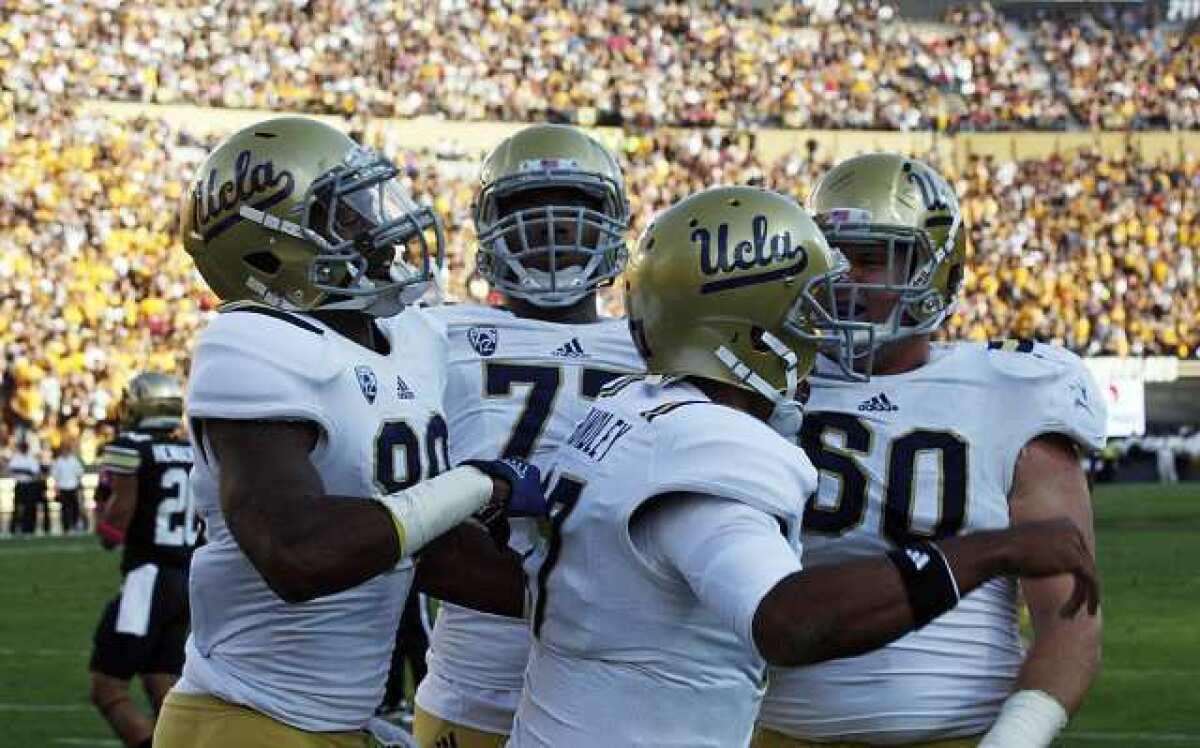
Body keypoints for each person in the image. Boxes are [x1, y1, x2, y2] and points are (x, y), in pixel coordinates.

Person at [507, 185, 1100, 747]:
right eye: (804, 297)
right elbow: (792, 620)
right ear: (747, 320)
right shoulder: (712, 441)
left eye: (867, 261)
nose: (829, 305)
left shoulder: (623, 407)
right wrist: (994, 549)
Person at [152, 116, 543, 748]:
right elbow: (298, 555)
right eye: (346, 213)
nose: (378, 224)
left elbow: (424, 547)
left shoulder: (413, 337)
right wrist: (475, 485)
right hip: (243, 720)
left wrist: (592, 604)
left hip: (333, 722)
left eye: (370, 200)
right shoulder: (252, 341)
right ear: (266, 249)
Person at [755, 153, 1107, 747]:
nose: (844, 279)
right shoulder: (766, 388)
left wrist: (1014, 739)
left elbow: (1071, 617)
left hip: (961, 736)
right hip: (778, 731)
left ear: (933, 272)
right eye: (831, 258)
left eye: (869, 260)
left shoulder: (1012, 391)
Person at [412, 124, 642, 748]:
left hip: (615, 698)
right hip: (473, 686)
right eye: (524, 213)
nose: (548, 231)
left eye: (571, 214)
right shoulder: (435, 333)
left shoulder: (658, 343)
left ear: (611, 223)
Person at [88, 373, 198, 748]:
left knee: (108, 687)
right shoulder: (191, 449)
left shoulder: (131, 446)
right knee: (161, 681)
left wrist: (106, 526)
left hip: (147, 578)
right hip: (186, 580)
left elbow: (116, 518)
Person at [6, 438, 42, 535]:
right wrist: (25, 471)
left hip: (30, 485)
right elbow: (12, 470)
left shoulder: (31, 458)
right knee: (17, 507)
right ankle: (14, 528)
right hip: (20, 485)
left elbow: (35, 473)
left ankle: (29, 528)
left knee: (30, 508)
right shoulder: (16, 458)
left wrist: (23, 471)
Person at [51, 440, 86, 533]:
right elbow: (55, 477)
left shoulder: (74, 461)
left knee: (75, 508)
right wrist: (56, 488)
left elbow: (80, 473)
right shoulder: (58, 462)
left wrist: (79, 485)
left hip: (73, 487)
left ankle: (75, 525)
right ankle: (65, 527)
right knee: (64, 508)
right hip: (63, 487)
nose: (65, 451)